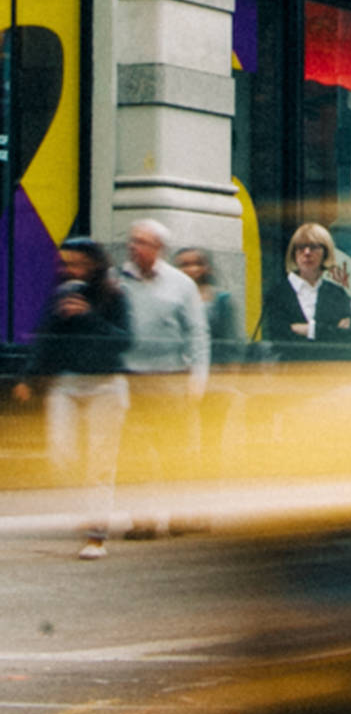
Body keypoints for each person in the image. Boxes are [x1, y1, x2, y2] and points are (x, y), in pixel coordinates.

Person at [13, 241, 131, 559]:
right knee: (61, 455)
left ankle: (96, 535)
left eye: (78, 263)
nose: (71, 270)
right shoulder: (60, 294)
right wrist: (28, 377)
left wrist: (89, 315)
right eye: (66, 263)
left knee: (100, 461)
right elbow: (46, 338)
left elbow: (124, 340)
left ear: (94, 265)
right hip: (66, 382)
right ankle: (86, 507)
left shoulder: (114, 294)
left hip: (105, 384)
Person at [120, 221, 210, 524]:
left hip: (171, 377)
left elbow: (197, 333)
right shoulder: (117, 281)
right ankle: (142, 520)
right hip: (132, 378)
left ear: (158, 248)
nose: (135, 247)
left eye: (143, 242)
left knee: (175, 452)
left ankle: (179, 516)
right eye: (133, 241)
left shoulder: (180, 284)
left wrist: (198, 378)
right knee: (136, 454)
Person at [261, 222, 351, 348]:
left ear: (325, 252)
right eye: (301, 247)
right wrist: (330, 331)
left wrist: (310, 330)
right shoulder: (277, 293)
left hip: (330, 367)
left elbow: (350, 336)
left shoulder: (336, 294)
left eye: (314, 247)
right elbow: (279, 338)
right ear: (293, 253)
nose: (307, 252)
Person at [174, 246, 241, 363]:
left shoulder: (221, 300)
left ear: (207, 268)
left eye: (197, 264)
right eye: (184, 265)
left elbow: (230, 341)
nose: (192, 269)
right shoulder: (171, 300)